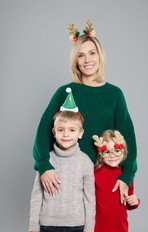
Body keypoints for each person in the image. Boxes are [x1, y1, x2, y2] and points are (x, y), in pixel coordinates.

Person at [33, 19, 137, 204]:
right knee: (72, 228)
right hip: (69, 173)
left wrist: (127, 174)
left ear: (100, 56)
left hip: (105, 174)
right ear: (75, 61)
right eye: (81, 55)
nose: (87, 60)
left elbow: (127, 135)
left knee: (106, 229)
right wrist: (44, 166)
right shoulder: (65, 92)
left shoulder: (114, 94)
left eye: (92, 53)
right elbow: (43, 130)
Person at [29, 91, 95, 232]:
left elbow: (89, 199)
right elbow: (36, 196)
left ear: (80, 133)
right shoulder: (46, 161)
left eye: (72, 130)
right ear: (54, 132)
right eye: (61, 130)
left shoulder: (85, 162)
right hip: (47, 228)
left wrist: (88, 230)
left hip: (76, 228)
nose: (66, 134)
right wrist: (33, 228)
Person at [92, 130, 140, 232]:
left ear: (124, 152)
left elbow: (128, 204)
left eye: (117, 150)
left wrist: (135, 201)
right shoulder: (94, 174)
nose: (112, 155)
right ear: (101, 154)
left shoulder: (126, 176)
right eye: (107, 151)